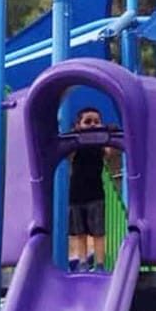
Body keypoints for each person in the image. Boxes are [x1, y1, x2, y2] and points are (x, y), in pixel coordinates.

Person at [68, 107, 109, 272]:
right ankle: (83, 262)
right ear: (78, 125)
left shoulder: (100, 146)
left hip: (96, 193)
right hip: (77, 194)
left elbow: (109, 152)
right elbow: (68, 154)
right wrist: (75, 135)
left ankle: (99, 264)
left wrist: (104, 134)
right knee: (80, 232)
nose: (92, 125)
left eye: (96, 122)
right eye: (88, 122)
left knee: (98, 232)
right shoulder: (76, 145)